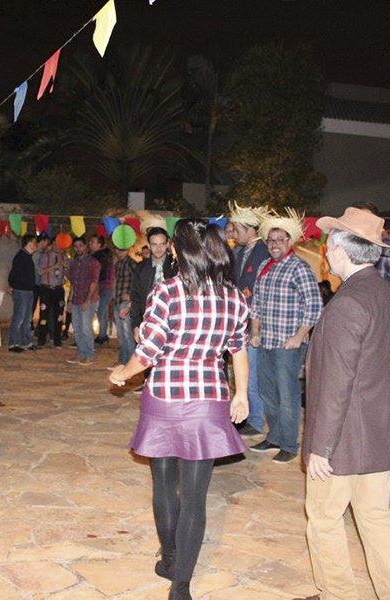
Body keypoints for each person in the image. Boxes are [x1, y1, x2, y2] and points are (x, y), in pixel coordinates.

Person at [110, 220, 250, 600]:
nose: (170, 249)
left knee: (163, 484)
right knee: (194, 498)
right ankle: (181, 585)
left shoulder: (167, 292)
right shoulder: (233, 297)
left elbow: (148, 350)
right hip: (208, 401)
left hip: (165, 399)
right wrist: (241, 395)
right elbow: (238, 349)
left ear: (182, 251)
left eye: (173, 245)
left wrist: (122, 373)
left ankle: (170, 559)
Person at [293, 207, 390, 600]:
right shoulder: (383, 293)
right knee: (377, 520)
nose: (325, 252)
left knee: (324, 519)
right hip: (379, 435)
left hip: (343, 441)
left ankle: (337, 594)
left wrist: (322, 447)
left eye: (328, 245)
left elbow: (336, 383)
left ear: (342, 251)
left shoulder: (347, 303)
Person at [250, 209, 322, 463]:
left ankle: (290, 445)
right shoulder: (264, 266)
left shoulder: (299, 268)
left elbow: (314, 306)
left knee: (287, 395)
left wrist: (299, 336)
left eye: (280, 240)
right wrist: (255, 332)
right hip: (266, 341)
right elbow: (257, 304)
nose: (275, 244)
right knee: (267, 392)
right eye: (271, 240)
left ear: (289, 241)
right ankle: (275, 437)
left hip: (288, 345)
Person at [228, 202, 271, 437]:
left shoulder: (263, 251)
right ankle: (248, 416)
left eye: (237, 230)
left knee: (251, 374)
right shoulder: (240, 251)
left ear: (250, 230)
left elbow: (259, 291)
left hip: (255, 323)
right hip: (241, 320)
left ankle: (255, 420)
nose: (234, 234)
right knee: (243, 372)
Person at [130, 227, 176, 392]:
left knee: (169, 353)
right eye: (154, 244)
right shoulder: (141, 268)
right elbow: (135, 297)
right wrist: (136, 324)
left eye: (162, 244)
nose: (158, 248)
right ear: (149, 245)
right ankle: (148, 384)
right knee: (148, 350)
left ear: (168, 244)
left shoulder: (176, 266)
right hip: (148, 317)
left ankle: (168, 386)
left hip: (173, 318)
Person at [66, 237, 100, 366]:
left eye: (80, 245)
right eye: (75, 246)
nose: (78, 248)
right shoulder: (74, 263)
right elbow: (73, 284)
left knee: (86, 328)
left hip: (88, 300)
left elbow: (94, 283)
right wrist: (69, 301)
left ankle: (89, 355)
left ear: (85, 246)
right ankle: (80, 353)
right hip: (76, 299)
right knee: (77, 328)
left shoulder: (93, 262)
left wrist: (87, 300)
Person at [7, 233, 37, 353]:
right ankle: (13, 343)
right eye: (34, 242)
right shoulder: (21, 256)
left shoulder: (28, 256)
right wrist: (12, 286)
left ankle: (26, 342)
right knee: (19, 317)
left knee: (27, 318)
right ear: (29, 243)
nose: (35, 245)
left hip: (28, 291)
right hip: (21, 291)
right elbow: (13, 274)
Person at [34, 235, 65, 348]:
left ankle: (57, 339)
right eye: (55, 244)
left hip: (58, 289)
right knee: (44, 315)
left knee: (59, 315)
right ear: (51, 245)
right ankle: (41, 339)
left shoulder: (64, 257)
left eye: (59, 244)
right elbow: (40, 271)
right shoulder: (44, 256)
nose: (57, 247)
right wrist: (54, 266)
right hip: (46, 289)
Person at [110, 247, 137, 368]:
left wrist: (131, 297)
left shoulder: (132, 263)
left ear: (127, 250)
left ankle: (130, 363)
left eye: (122, 250)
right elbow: (116, 282)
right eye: (117, 250)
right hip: (117, 301)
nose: (119, 252)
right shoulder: (118, 263)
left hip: (126, 303)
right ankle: (123, 360)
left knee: (127, 334)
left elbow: (139, 281)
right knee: (121, 334)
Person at [350, 201, 390, 282]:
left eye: (367, 221)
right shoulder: (350, 249)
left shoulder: (386, 251)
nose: (361, 226)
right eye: (356, 221)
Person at [89, 234, 113, 345]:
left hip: (103, 287)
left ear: (100, 245)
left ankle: (102, 335)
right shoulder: (103, 256)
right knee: (103, 312)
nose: (90, 244)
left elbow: (97, 274)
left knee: (101, 312)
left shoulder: (98, 256)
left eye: (93, 242)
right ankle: (103, 335)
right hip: (104, 287)